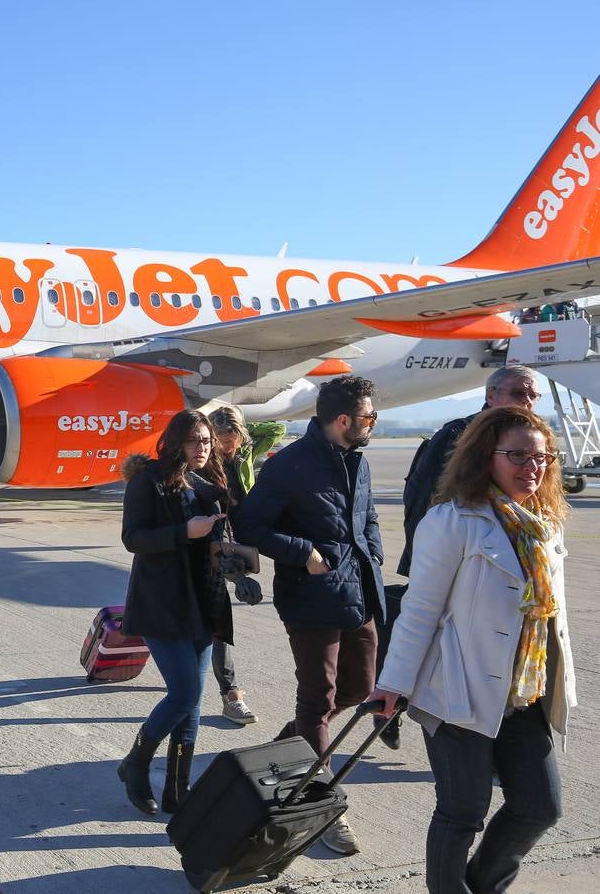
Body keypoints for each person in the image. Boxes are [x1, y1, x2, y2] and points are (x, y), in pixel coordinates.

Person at [371, 407, 574, 894]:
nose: (533, 466)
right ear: (486, 457)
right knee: (462, 813)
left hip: (524, 690)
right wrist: (392, 685)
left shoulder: (544, 524)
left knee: (539, 807)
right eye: (518, 455)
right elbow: (419, 610)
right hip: (456, 688)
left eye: (542, 457)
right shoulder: (452, 520)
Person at [235, 375, 386, 856]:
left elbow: (368, 516)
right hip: (310, 597)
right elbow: (250, 524)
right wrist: (303, 553)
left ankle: (294, 744)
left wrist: (375, 553)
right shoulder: (289, 466)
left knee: (361, 688)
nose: (372, 424)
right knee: (317, 698)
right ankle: (324, 807)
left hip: (358, 591)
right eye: (368, 417)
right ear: (343, 420)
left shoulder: (355, 462)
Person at [387, 365, 541, 748]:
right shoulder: (458, 435)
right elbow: (422, 498)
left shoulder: (533, 441)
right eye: (520, 393)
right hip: (454, 561)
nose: (529, 402)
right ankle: (397, 701)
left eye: (534, 395)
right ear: (491, 395)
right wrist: (425, 556)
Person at [116, 410, 232, 817]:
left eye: (205, 441)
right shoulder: (148, 480)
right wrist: (185, 532)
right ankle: (136, 763)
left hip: (203, 600)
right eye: (192, 441)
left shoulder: (211, 484)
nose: (200, 448)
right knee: (184, 693)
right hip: (162, 603)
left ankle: (178, 790)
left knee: (193, 702)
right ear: (175, 442)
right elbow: (133, 538)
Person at [204, 405, 286, 725]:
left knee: (212, 624)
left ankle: (226, 691)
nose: (227, 444)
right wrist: (237, 577)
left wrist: (244, 423)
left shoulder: (242, 458)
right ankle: (231, 694)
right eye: (221, 437)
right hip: (203, 550)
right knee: (215, 624)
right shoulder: (202, 469)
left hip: (231, 544)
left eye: (233, 437)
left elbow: (276, 428)